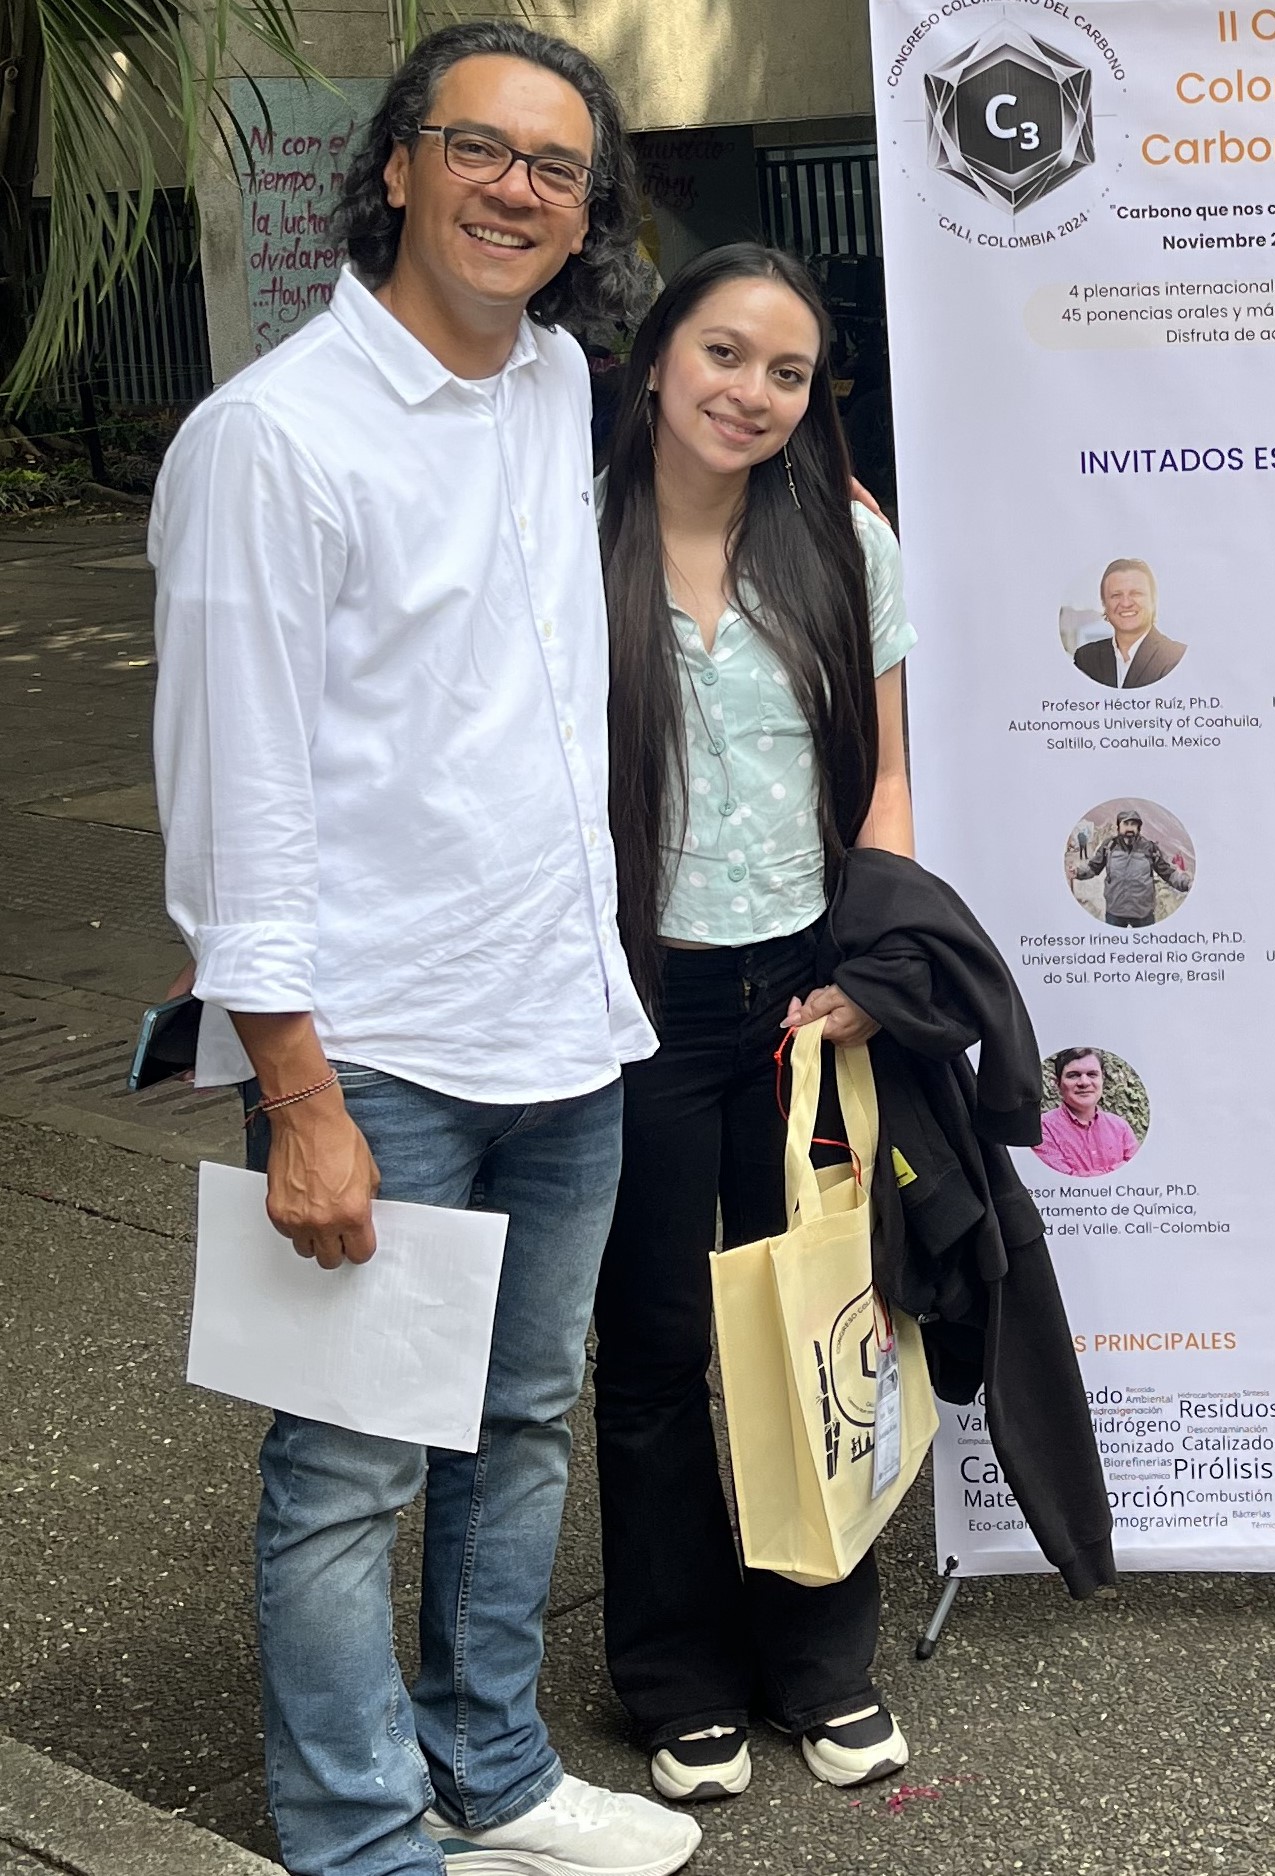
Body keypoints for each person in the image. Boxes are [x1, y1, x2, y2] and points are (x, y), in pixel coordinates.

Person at [151, 23, 701, 1876]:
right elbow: (236, 807)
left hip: (564, 1025)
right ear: (396, 166)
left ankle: (494, 1771)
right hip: (377, 1050)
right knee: (346, 1475)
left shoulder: (555, 385)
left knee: (520, 1428)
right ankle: (358, 1835)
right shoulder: (271, 439)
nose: (517, 190)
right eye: (480, 148)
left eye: (557, 167)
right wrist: (295, 1092)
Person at [591, 243, 918, 1809]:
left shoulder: (843, 539)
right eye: (725, 355)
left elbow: (886, 778)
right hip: (633, 999)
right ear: (657, 357)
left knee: (813, 1325)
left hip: (803, 998)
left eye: (787, 373)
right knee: (652, 1348)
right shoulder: (566, 533)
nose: (752, 393)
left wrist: (879, 964)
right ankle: (674, 1670)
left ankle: (818, 1661)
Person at [1072, 558, 1185, 689]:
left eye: (1136, 593)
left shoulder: (1176, 657)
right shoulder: (1086, 659)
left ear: (1153, 600)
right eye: (1116, 595)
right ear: (1104, 604)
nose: (1126, 603)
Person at [1069, 807, 1191, 928]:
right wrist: (1078, 872)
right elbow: (1093, 867)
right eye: (1126, 824)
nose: (1130, 828)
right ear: (1118, 826)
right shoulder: (1109, 846)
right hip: (1115, 912)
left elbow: (1167, 872)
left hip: (1143, 913)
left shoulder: (1149, 848)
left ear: (1138, 828)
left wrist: (1186, 883)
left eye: (1133, 824)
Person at [1034, 1047, 1140, 1176]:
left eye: (1092, 1074)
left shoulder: (1120, 1127)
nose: (1084, 1082)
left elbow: (1137, 1171)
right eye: (1073, 1075)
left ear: (1102, 1080)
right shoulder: (1041, 1128)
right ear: (1058, 1084)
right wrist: (1118, 1167)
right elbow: (1064, 1181)